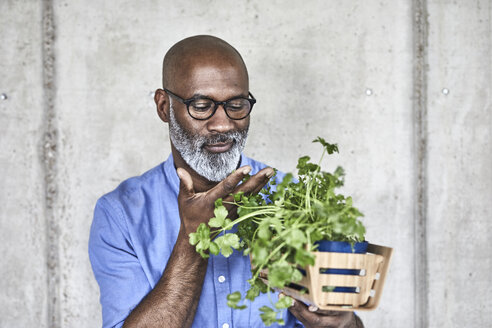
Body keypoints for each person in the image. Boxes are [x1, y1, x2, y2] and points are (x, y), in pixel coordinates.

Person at [89, 35, 364, 328]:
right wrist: (194, 240)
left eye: (236, 104)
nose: (223, 124)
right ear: (163, 106)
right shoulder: (120, 214)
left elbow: (341, 319)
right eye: (201, 105)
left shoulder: (295, 200)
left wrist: (343, 323)